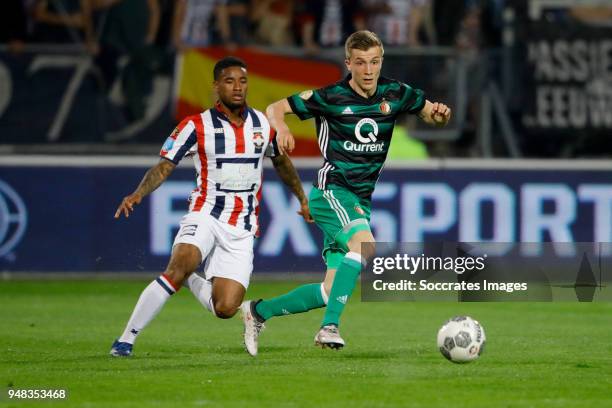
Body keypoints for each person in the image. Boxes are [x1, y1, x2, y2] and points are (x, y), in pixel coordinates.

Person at [241, 30, 451, 354]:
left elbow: (427, 110)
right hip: (331, 191)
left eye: (374, 62)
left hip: (359, 201)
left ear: (381, 61)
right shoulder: (330, 96)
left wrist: (438, 114)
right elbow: (274, 108)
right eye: (360, 63)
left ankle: (257, 311)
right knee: (364, 245)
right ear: (348, 63)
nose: (368, 70)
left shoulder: (395, 93)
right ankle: (329, 327)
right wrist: (280, 126)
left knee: (329, 290)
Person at [110, 56, 312, 357]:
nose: (237, 87)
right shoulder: (195, 125)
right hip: (206, 212)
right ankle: (126, 339)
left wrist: (302, 197)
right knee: (176, 268)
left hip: (242, 224)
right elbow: (164, 166)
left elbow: (281, 162)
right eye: (229, 81)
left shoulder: (262, 125)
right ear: (216, 86)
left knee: (226, 307)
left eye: (242, 81)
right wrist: (139, 193)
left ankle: (192, 277)